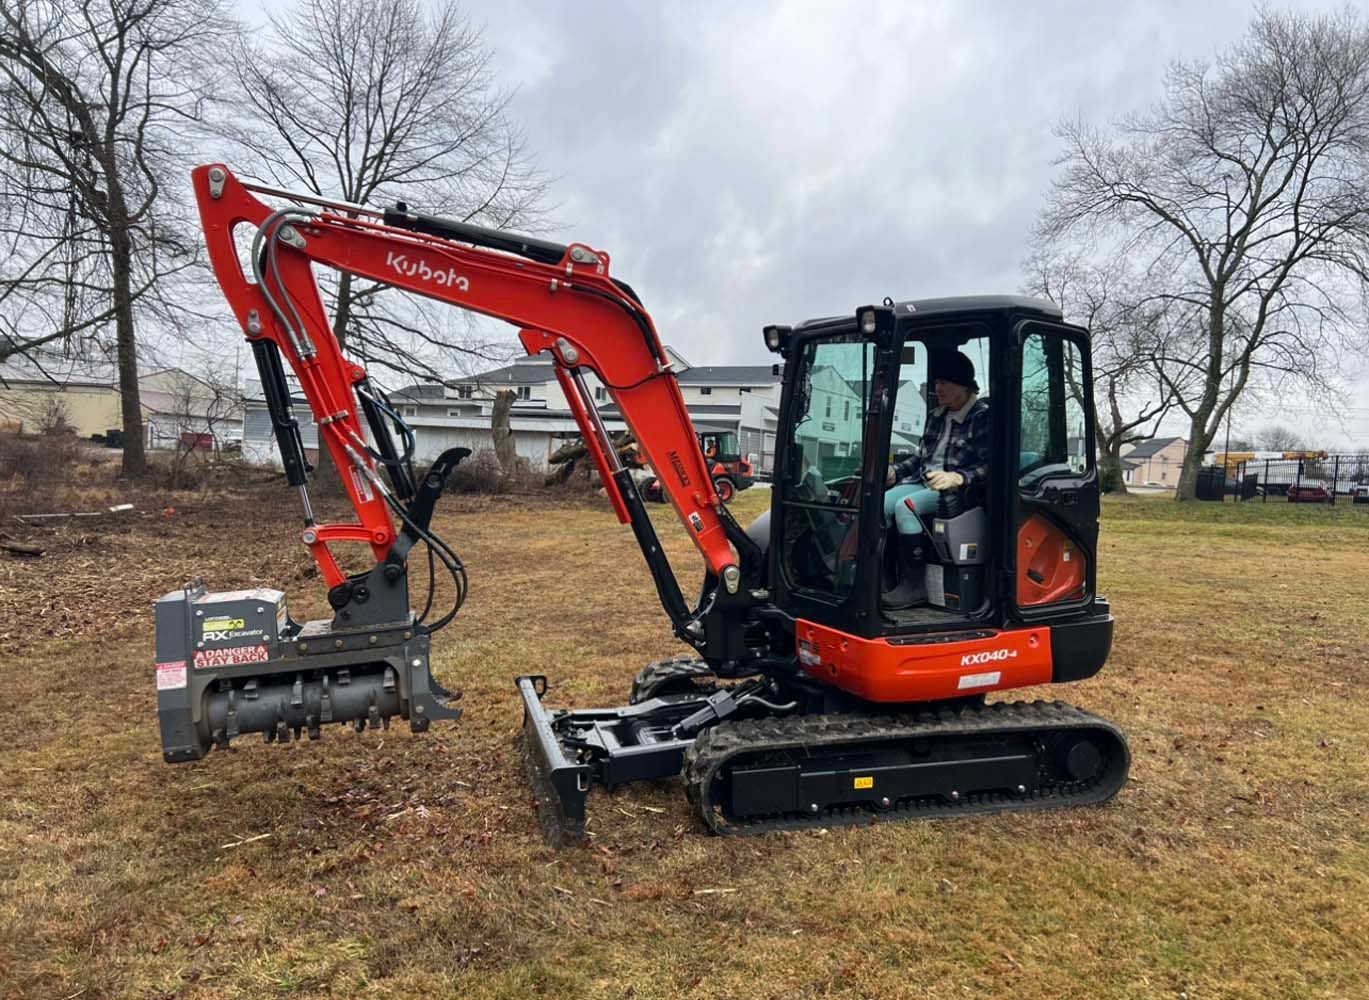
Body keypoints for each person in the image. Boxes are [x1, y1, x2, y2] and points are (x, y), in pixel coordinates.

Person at [883, 350, 989, 537]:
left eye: (944, 383)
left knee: (905, 508)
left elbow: (989, 464)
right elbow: (920, 457)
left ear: (964, 386)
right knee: (880, 503)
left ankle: (914, 564)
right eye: (937, 383)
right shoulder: (935, 416)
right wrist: (895, 471)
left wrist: (958, 478)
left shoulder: (981, 417)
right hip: (922, 482)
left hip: (954, 491)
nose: (938, 388)